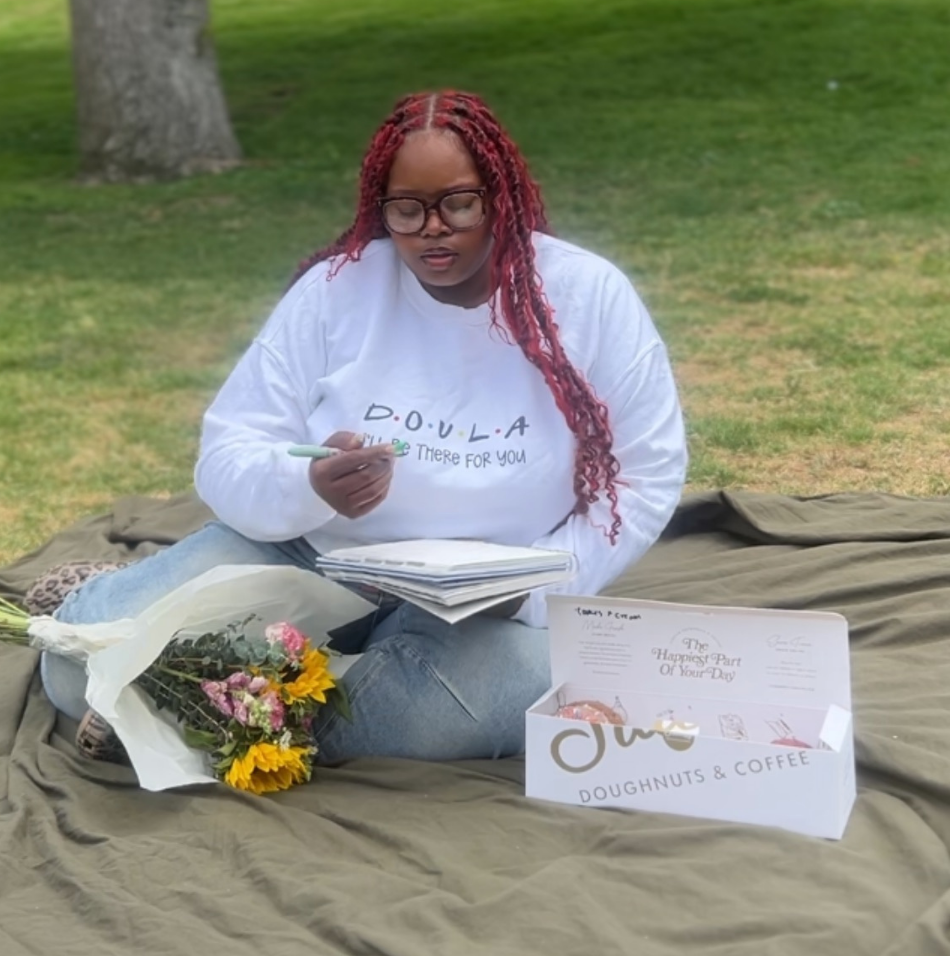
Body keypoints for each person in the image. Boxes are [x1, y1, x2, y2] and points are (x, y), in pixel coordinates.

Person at [41, 91, 687, 764]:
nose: (432, 229)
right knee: (70, 669)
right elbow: (228, 452)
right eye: (406, 209)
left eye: (458, 204)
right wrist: (310, 484)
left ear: (501, 197)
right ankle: (188, 663)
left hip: (485, 610)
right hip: (312, 560)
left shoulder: (589, 296)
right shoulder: (335, 292)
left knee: (505, 689)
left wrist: (537, 592)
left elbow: (645, 475)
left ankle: (211, 705)